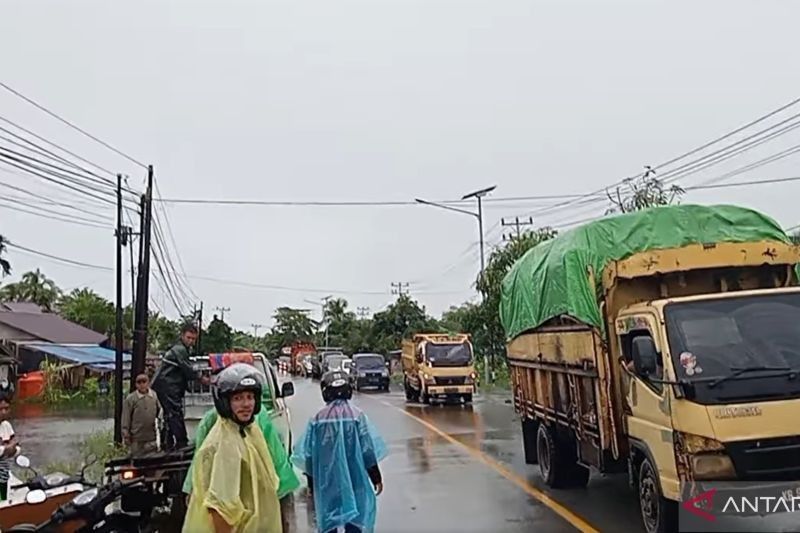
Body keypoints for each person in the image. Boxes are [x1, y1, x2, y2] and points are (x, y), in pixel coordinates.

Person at [183, 363, 282, 533]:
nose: (246, 404)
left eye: (250, 397)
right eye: (238, 398)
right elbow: (219, 508)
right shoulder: (225, 444)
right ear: (225, 403)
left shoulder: (248, 431)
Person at [292, 370, 388, 533]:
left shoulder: (317, 419)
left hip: (327, 480)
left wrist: (311, 483)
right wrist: (375, 477)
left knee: (329, 519)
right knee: (356, 518)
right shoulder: (358, 416)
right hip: (355, 477)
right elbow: (367, 450)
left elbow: (309, 455)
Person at [151, 323, 209, 450]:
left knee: (170, 415)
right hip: (167, 386)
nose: (191, 341)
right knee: (174, 413)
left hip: (168, 386)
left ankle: (169, 443)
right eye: (189, 338)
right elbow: (187, 369)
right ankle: (181, 442)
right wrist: (202, 378)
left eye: (193, 339)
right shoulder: (180, 350)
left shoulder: (181, 350)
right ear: (182, 336)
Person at [121, 373, 161, 456]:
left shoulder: (154, 396)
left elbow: (159, 412)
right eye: (139, 382)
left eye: (144, 382)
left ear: (148, 383)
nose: (142, 385)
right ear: (136, 384)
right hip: (136, 439)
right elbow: (126, 417)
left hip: (151, 438)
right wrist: (126, 434)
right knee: (136, 461)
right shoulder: (131, 399)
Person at [0, 381, 20, 502]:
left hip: (4, 471)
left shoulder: (6, 426)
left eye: (6, 409)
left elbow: (16, 446)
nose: (3, 412)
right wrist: (7, 449)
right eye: (0, 409)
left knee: (3, 498)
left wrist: (10, 449)